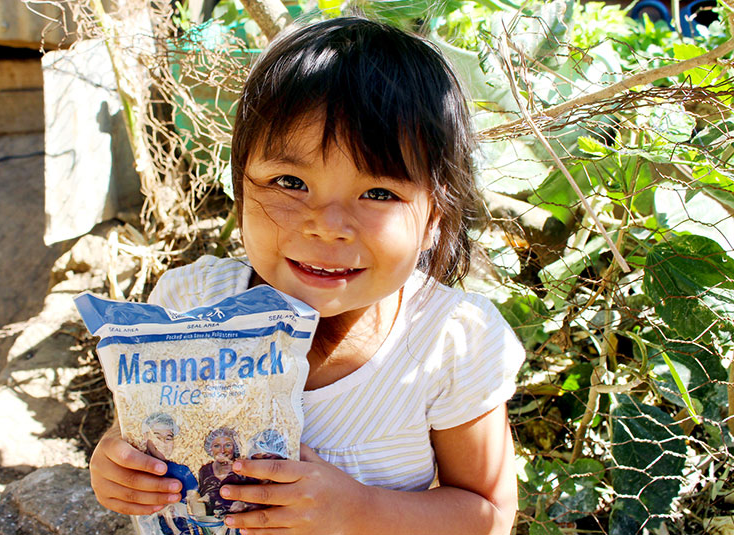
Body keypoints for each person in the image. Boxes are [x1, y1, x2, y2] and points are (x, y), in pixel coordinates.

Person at [88, 15, 525, 535]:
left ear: (434, 218)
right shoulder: (189, 302)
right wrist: (118, 466)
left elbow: (490, 516)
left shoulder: (451, 344)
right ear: (242, 188)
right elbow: (138, 432)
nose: (327, 225)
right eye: (290, 181)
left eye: (379, 193)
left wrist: (356, 510)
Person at [141, 413, 198, 535]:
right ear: (145, 437)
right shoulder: (139, 470)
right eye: (157, 437)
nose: (163, 443)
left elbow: (196, 502)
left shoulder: (183, 471)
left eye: (168, 438)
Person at [197, 427, 245, 517]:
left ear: (235, 447)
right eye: (217, 446)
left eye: (227, 445)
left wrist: (244, 504)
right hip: (211, 524)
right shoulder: (205, 471)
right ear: (210, 448)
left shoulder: (242, 471)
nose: (222, 450)